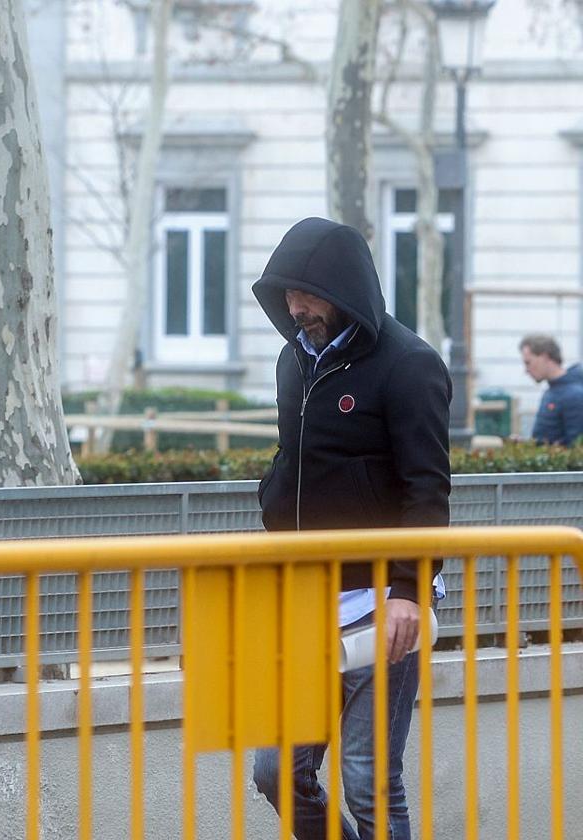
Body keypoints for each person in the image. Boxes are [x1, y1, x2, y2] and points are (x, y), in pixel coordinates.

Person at [251, 217, 450, 840]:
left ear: (343, 291)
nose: (296, 306)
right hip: (309, 598)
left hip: (382, 606)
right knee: (277, 768)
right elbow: (297, 459)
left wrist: (410, 592)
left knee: (368, 781)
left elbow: (428, 489)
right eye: (285, 294)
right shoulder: (294, 359)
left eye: (307, 294)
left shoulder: (410, 365)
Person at [518, 333, 583, 445]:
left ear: (545, 357)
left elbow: (577, 447)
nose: (526, 370)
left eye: (528, 362)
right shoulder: (552, 391)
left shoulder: (575, 395)